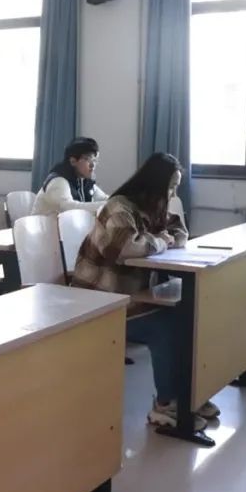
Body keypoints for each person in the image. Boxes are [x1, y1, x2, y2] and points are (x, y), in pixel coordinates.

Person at [71, 152, 218, 431]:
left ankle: (188, 395)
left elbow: (179, 230)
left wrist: (164, 238)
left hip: (127, 296)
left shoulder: (151, 208)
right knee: (165, 326)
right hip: (99, 299)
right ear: (154, 184)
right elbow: (125, 248)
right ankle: (166, 405)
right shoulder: (119, 207)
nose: (173, 193)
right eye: (170, 187)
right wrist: (162, 241)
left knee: (187, 317)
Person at [31, 137, 110, 215]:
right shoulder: (58, 181)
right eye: (88, 159)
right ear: (73, 161)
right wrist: (107, 205)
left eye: (94, 160)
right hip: (42, 223)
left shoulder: (84, 181)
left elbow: (104, 198)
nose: (93, 165)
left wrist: (114, 201)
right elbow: (68, 208)